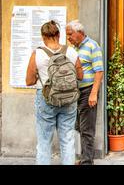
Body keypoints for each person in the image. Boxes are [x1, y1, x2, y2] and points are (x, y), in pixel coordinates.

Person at [26, 20, 83, 165]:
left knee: (44, 142)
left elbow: (29, 81)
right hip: (69, 99)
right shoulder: (71, 52)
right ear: (58, 34)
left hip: (46, 99)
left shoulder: (37, 54)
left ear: (43, 36)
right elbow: (80, 76)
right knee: (68, 140)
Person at [66, 20, 104, 165]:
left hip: (88, 90)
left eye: (70, 34)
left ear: (79, 33)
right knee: (78, 126)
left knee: (87, 129)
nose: (68, 37)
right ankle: (83, 158)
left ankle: (87, 161)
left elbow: (99, 72)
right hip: (76, 92)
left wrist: (93, 93)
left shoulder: (92, 46)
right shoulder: (74, 49)